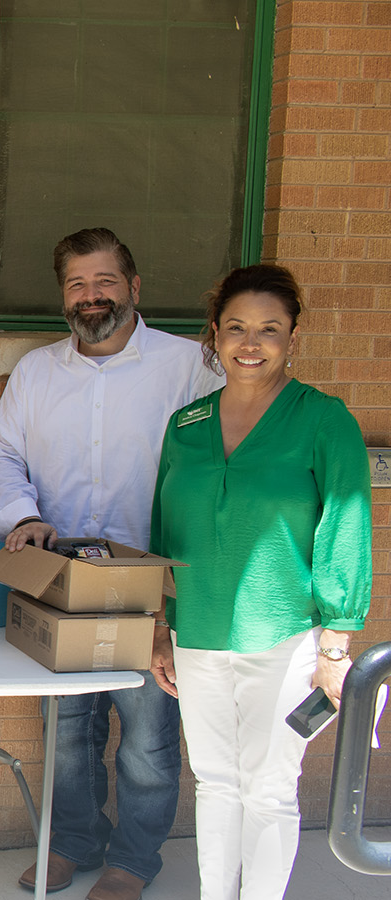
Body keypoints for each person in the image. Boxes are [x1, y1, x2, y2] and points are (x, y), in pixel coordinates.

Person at [0, 227, 222, 900]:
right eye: (78, 285)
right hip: (57, 580)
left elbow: (223, 460)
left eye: (105, 282)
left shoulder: (190, 369)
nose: (92, 298)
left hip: (151, 583)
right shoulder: (37, 372)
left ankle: (134, 860)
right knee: (66, 728)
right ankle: (74, 842)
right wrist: (23, 516)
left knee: (147, 734)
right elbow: (1, 454)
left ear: (134, 288)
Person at [149, 265, 370, 900]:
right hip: (196, 631)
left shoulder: (323, 420)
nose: (252, 342)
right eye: (238, 327)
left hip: (286, 635)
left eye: (270, 328)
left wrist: (335, 646)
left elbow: (346, 527)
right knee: (215, 781)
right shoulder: (186, 425)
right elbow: (164, 530)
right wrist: (161, 627)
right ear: (214, 335)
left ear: (292, 338)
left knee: (270, 788)